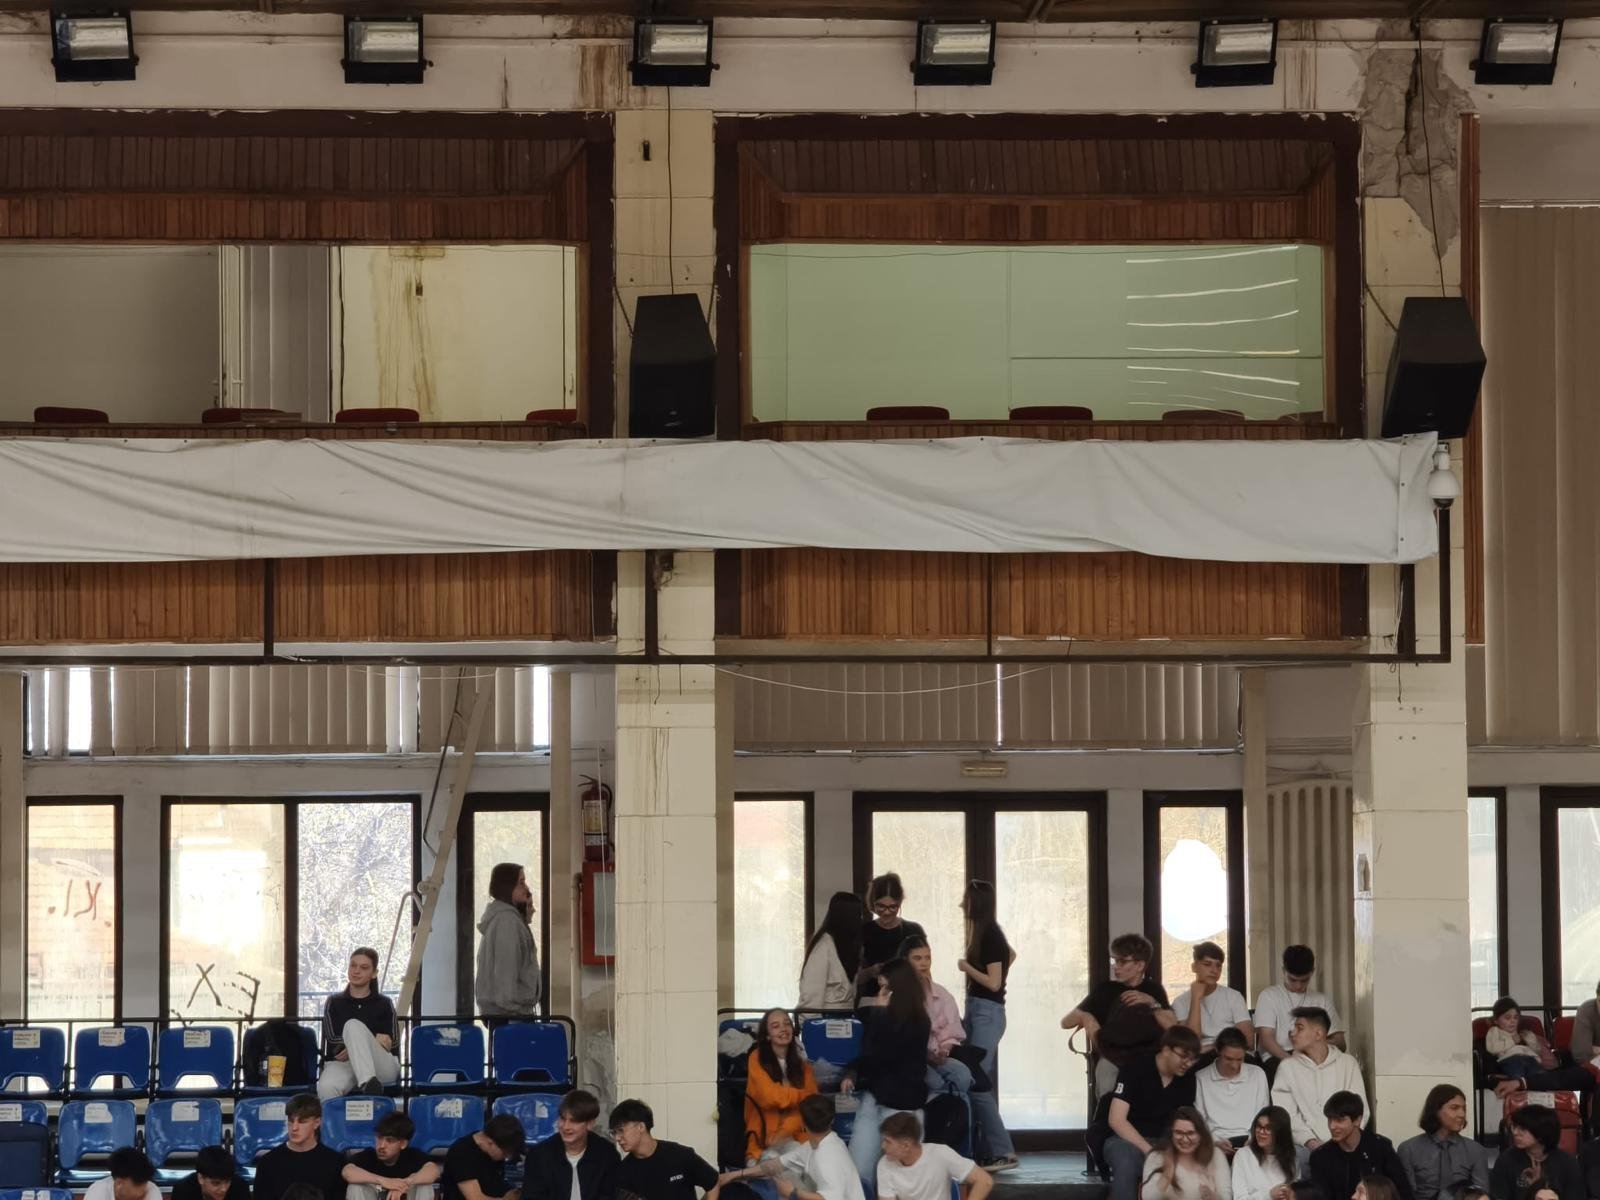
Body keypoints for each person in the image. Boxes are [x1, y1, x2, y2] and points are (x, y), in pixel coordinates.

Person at [843, 957, 934, 1185]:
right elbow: (870, 1054)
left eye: (886, 987)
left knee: (899, 1178)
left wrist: (881, 1016)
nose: (881, 993)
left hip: (901, 1108)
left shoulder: (918, 1022)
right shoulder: (881, 1017)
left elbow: (887, 1056)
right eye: (880, 987)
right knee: (859, 1171)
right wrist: (851, 1072)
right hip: (875, 1098)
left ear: (899, 989)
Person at [1062, 933, 1177, 1100]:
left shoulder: (1154, 990)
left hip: (1147, 1057)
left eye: (1122, 961)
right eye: (1115, 961)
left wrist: (1153, 1004)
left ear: (1140, 965)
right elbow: (1065, 1022)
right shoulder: (1105, 990)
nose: (1116, 966)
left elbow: (1173, 1028)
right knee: (1107, 1073)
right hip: (1112, 1056)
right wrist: (1087, 1018)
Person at [957, 879, 1017, 1173]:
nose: (961, 905)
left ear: (975, 904)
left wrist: (967, 968)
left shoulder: (990, 934)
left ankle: (1003, 1151)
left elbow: (994, 983)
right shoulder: (987, 934)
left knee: (977, 1083)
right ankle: (986, 1149)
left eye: (965, 900)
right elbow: (1011, 956)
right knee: (975, 1080)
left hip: (987, 1014)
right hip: (979, 1011)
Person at [1104, 1026, 1203, 1200]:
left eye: (1192, 1059)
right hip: (1127, 1140)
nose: (1188, 1063)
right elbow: (1116, 1120)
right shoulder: (1134, 1069)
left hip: (1167, 1142)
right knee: (1125, 1159)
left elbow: (1185, 1119)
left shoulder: (1188, 1078)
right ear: (1165, 1049)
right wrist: (1150, 1150)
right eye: (1183, 1056)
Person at [1268, 1007, 1367, 1166]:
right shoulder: (1287, 1067)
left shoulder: (1348, 1064)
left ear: (1319, 1034)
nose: (1292, 1033)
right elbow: (1285, 1115)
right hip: (1306, 1147)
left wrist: (1344, 1140)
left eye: (1299, 1028)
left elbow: (1361, 1110)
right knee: (1298, 1158)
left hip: (1347, 1142)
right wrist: (1311, 1142)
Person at [723, 1095, 863, 1200]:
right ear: (832, 1120)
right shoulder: (817, 1144)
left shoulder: (826, 1157)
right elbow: (774, 1166)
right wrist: (732, 1176)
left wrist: (793, 1193)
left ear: (802, 1124)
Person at [317, 947, 400, 1100]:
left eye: (364, 967)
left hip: (380, 1065)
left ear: (374, 973)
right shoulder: (334, 1002)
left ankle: (368, 1082)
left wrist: (362, 1043)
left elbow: (393, 1042)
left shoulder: (385, 1003)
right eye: (353, 965)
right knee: (326, 1087)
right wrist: (365, 1042)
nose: (356, 971)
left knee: (353, 1026)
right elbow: (332, 1039)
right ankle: (367, 1085)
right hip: (343, 1064)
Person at [610, 1098, 726, 1200]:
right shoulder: (624, 1172)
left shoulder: (680, 1154)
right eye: (614, 1133)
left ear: (641, 1127)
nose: (617, 1138)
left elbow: (712, 1183)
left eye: (621, 1130)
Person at [745, 1007, 820, 1164]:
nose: (783, 1029)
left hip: (795, 1138)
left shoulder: (802, 1065)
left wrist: (784, 1132)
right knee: (775, 1170)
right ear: (767, 1035)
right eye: (775, 1026)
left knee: (817, 1163)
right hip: (763, 1142)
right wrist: (802, 1095)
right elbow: (770, 1097)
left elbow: (812, 1106)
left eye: (787, 1024)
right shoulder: (756, 1058)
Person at [901, 935, 974, 1095]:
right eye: (917, 958)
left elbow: (952, 1033)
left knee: (962, 1075)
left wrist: (944, 1051)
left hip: (938, 1055)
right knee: (934, 1082)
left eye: (927, 958)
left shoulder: (942, 994)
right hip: (910, 1058)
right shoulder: (896, 995)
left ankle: (952, 1108)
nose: (924, 963)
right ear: (905, 961)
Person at [1253, 948, 1346, 1073]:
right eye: (1292, 979)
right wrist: (1292, 1060)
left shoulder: (1321, 1000)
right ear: (1283, 971)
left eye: (1304, 980)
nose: (1298, 986)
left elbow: (1340, 1042)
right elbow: (1266, 1039)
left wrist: (1312, 1046)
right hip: (1279, 1056)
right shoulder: (1269, 996)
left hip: (1314, 1056)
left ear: (1312, 972)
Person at [1308, 1092, 1413, 1200]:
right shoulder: (1321, 1156)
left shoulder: (1380, 1147)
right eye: (1330, 1119)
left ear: (1357, 1120)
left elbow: (1403, 1191)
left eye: (1339, 1120)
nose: (1332, 1126)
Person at [1396, 1084, 1491, 1200]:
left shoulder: (1475, 1150)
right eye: (1454, 1108)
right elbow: (1406, 1195)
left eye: (1464, 1109)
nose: (1462, 1114)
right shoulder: (1409, 1149)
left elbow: (1481, 1194)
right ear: (1436, 1110)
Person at [476, 861, 542, 1019]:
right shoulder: (507, 923)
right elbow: (505, 987)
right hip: (509, 1017)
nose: (526, 888)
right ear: (507, 886)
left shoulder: (506, 920)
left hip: (506, 1015)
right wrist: (521, 1011)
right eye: (521, 882)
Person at [522, 1090, 617, 1200]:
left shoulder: (607, 1154)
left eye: (574, 1121)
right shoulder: (539, 1155)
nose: (566, 1127)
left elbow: (610, 1196)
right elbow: (532, 1196)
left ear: (590, 1124)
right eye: (562, 1119)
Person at [875, 1111, 993, 1200]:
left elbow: (984, 1180)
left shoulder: (940, 1154)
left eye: (888, 1141)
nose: (882, 1146)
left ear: (905, 1146)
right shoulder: (884, 1164)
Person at [254, 1094, 348, 1200]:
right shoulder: (268, 1163)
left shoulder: (335, 1162)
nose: (294, 1127)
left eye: (302, 1121)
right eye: (291, 1120)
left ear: (317, 1123)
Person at [1195, 1028, 1269, 1153]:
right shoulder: (1201, 1077)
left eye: (1240, 1059)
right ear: (1218, 1051)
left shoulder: (1257, 1074)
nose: (1234, 1065)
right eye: (1228, 1059)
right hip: (1216, 1142)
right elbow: (1200, 1119)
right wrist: (1215, 1142)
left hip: (1252, 1140)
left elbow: (1263, 1113)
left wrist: (1253, 1139)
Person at [1172, 943, 1252, 1056]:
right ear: (1194, 967)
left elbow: (1248, 1040)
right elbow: (1191, 1043)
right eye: (1207, 964)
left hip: (1231, 1052)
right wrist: (1196, 999)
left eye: (1218, 966)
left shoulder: (1234, 996)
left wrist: (1214, 1046)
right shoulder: (1180, 1002)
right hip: (1200, 1056)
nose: (1214, 970)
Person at [1488, 1105, 1582, 1200]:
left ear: (1542, 1132)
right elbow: (1498, 1196)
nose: (1515, 1132)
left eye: (1522, 1129)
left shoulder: (1568, 1164)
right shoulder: (1506, 1160)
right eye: (1514, 1127)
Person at [342, 1112, 441, 1200]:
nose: (381, 1146)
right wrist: (384, 1181)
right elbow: (347, 1171)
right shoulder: (369, 1155)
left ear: (403, 1144)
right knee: (355, 1186)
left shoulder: (412, 1155)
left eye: (390, 1140)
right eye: (379, 1138)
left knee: (423, 1186)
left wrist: (404, 1184)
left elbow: (433, 1170)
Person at [1138, 1107, 1231, 1200]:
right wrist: (1166, 1175)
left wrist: (1211, 1197)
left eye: (1191, 1133)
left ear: (1201, 1134)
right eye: (1179, 1133)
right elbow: (1148, 1197)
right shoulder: (1157, 1156)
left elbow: (1226, 1197)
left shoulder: (1216, 1155)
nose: (1185, 1139)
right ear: (1171, 1133)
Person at [859, 875, 926, 1002]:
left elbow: (924, 970)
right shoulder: (864, 931)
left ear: (900, 903)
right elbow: (852, 979)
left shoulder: (913, 930)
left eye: (893, 907)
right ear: (872, 903)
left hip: (907, 1001)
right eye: (881, 906)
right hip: (872, 1001)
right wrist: (870, 972)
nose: (886, 912)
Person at [800, 893, 866, 1012]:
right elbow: (810, 997)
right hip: (823, 1021)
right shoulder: (823, 947)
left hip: (846, 1021)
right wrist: (812, 1027)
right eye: (857, 915)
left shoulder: (851, 947)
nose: (861, 920)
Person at [441, 1114, 526, 1200]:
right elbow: (475, 1198)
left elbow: (496, 1184)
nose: (506, 1157)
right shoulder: (462, 1153)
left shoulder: (494, 1154)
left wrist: (511, 1192)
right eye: (505, 1153)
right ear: (490, 1143)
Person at [1231, 1107, 1296, 1200]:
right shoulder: (1243, 1156)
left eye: (1268, 1128)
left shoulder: (1292, 1156)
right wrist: (1268, 1195)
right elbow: (1239, 1198)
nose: (1261, 1132)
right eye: (1258, 1126)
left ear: (1280, 1132)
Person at [1486, 999, 1552, 1082]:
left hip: (1529, 1059)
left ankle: (1539, 1091)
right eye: (1507, 1017)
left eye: (1516, 1017)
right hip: (1509, 1060)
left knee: (1540, 1076)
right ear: (1496, 1020)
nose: (1512, 1021)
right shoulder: (1495, 1031)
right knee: (1517, 1074)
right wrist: (1512, 1041)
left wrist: (1531, 1041)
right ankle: (1518, 1089)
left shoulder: (1521, 1033)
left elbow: (1537, 1051)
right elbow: (1492, 1048)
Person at [174, 1146, 251, 1200]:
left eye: (227, 1182)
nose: (223, 1189)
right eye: (216, 1183)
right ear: (200, 1178)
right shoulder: (183, 1191)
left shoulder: (240, 1188)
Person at [86, 1148, 161, 1200]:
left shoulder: (151, 1189)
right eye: (137, 1183)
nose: (143, 1190)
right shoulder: (98, 1191)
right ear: (119, 1183)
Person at [1570, 981, 1600, 1063]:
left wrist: (1594, 1049)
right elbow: (1581, 1054)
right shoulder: (1586, 1010)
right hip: (1589, 1067)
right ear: (1597, 995)